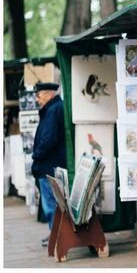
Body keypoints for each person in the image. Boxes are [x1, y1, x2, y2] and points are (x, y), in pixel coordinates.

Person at [31, 82, 66, 247]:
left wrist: (36, 155)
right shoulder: (54, 108)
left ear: (49, 94)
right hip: (50, 164)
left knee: (51, 203)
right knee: (52, 202)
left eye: (39, 95)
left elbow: (49, 139)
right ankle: (55, 233)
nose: (37, 99)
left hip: (49, 165)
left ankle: (57, 235)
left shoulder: (53, 109)